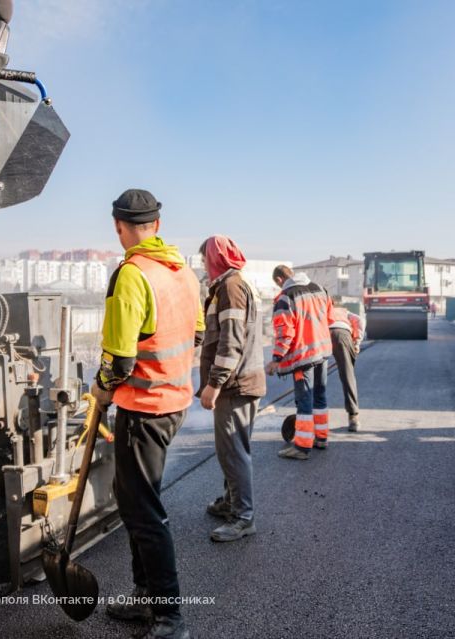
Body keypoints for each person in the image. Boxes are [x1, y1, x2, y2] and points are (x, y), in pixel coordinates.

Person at [92, 189, 203, 639]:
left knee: (145, 513)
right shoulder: (182, 273)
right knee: (137, 500)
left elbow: (118, 360)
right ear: (156, 225)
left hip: (143, 411)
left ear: (119, 227)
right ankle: (144, 599)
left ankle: (169, 617)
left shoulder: (132, 274)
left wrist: (100, 392)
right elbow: (195, 336)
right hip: (173, 404)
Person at [197, 236, 266, 543]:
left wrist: (214, 384)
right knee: (233, 450)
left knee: (233, 453)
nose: (203, 266)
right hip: (241, 382)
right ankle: (231, 502)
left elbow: (230, 343)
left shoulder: (230, 287)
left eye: (203, 260)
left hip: (234, 385)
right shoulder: (236, 284)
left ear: (214, 259)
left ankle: (243, 517)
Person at [267, 265, 335, 460]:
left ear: (280, 280)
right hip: (322, 351)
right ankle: (321, 438)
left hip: (303, 356)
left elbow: (285, 333)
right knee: (319, 396)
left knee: (304, 400)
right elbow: (329, 318)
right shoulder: (320, 289)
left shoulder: (286, 297)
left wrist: (276, 360)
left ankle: (302, 447)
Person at [329, 306, 362, 432]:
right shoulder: (344, 312)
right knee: (347, 375)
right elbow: (359, 320)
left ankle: (310, 418)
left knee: (315, 376)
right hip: (341, 334)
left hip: (321, 334)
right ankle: (353, 418)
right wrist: (357, 342)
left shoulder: (321, 308)